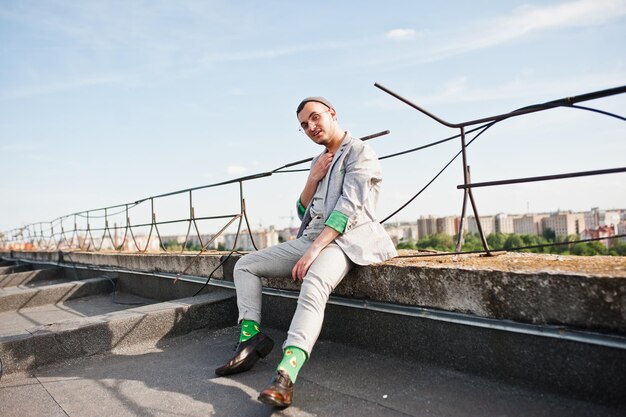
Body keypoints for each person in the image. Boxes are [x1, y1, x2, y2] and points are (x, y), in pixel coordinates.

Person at [214, 96, 397, 408]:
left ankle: (285, 375)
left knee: (314, 282)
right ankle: (250, 340)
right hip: (311, 236)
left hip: (346, 239)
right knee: (245, 265)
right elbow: (303, 211)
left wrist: (312, 252)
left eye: (315, 118)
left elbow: (347, 211)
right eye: (304, 125)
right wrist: (313, 178)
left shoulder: (361, 153)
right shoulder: (319, 160)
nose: (311, 127)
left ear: (332, 113)